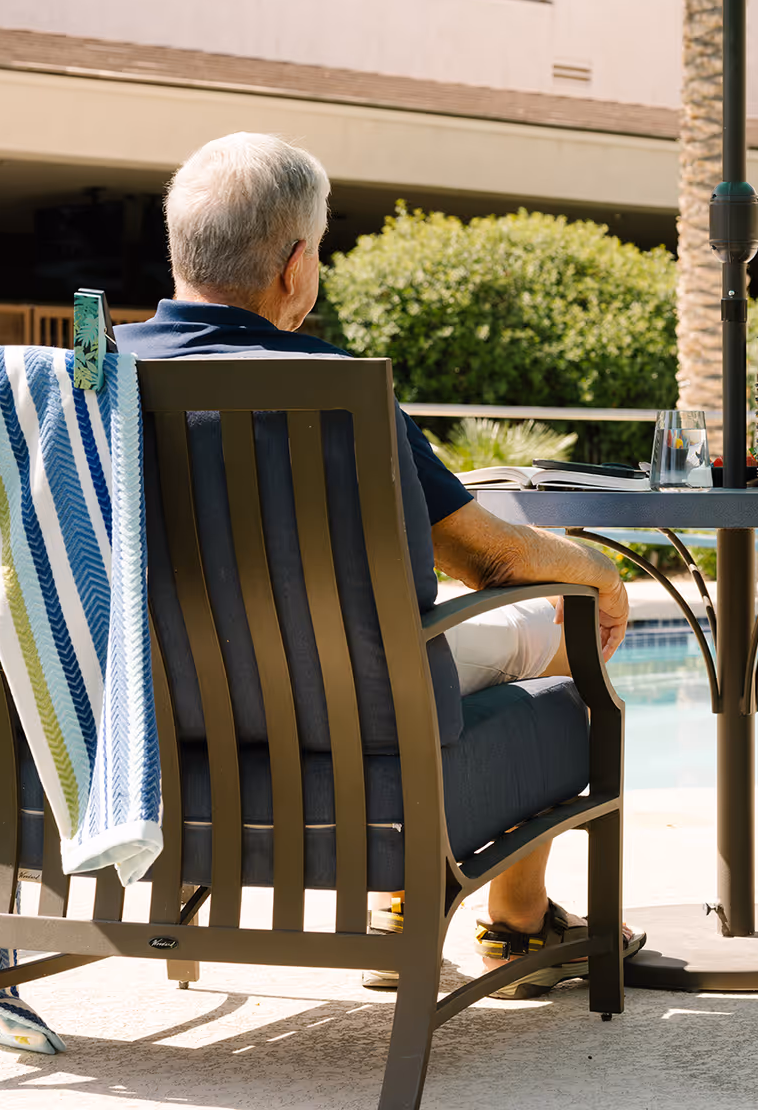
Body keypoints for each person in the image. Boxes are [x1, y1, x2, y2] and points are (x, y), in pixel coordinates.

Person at [119, 132, 639, 997]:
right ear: (295, 269)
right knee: (555, 625)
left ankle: (406, 911)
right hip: (343, 708)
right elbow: (495, 561)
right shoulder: (332, 391)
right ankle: (511, 929)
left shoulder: (80, 386)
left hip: (145, 716)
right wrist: (598, 573)